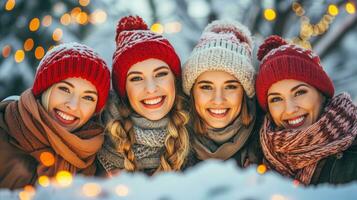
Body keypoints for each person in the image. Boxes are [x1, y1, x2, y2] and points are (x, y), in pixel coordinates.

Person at [0, 42, 110, 189]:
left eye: (88, 97)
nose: (73, 105)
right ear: (45, 89)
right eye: (64, 89)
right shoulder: (5, 131)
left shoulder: (101, 160)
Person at [255, 35, 357, 185]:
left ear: (321, 94)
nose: (290, 109)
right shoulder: (257, 158)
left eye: (300, 92)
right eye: (276, 99)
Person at [96, 15, 190, 175]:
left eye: (160, 74)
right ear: (123, 90)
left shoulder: (197, 134)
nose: (151, 88)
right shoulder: (98, 140)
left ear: (175, 80)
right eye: (137, 78)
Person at [182, 19, 263, 168]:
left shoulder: (267, 144)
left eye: (230, 87)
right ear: (192, 92)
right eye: (206, 87)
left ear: (245, 93)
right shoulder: (173, 145)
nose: (218, 100)